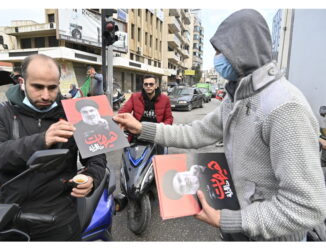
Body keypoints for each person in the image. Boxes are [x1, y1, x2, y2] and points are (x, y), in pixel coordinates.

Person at [114, 9, 326, 241]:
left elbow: (307, 206)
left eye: (220, 51)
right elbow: (196, 133)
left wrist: (232, 221)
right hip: (238, 222)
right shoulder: (236, 97)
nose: (217, 59)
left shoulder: (284, 106)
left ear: (242, 49)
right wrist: (142, 128)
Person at [0, 54, 107, 241]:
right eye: (38, 87)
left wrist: (91, 178)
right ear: (22, 82)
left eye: (52, 87)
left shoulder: (74, 112)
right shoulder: (2, 112)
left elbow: (97, 157)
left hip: (60, 220)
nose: (46, 95)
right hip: (10, 217)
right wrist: (41, 140)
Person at [118, 74, 173, 144]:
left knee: (159, 153)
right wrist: (125, 122)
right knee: (129, 153)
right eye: (146, 84)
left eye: (151, 84)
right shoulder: (135, 97)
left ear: (156, 85)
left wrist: (161, 130)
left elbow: (169, 118)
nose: (148, 86)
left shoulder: (165, 99)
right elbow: (123, 112)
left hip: (156, 134)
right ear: (143, 86)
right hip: (137, 132)